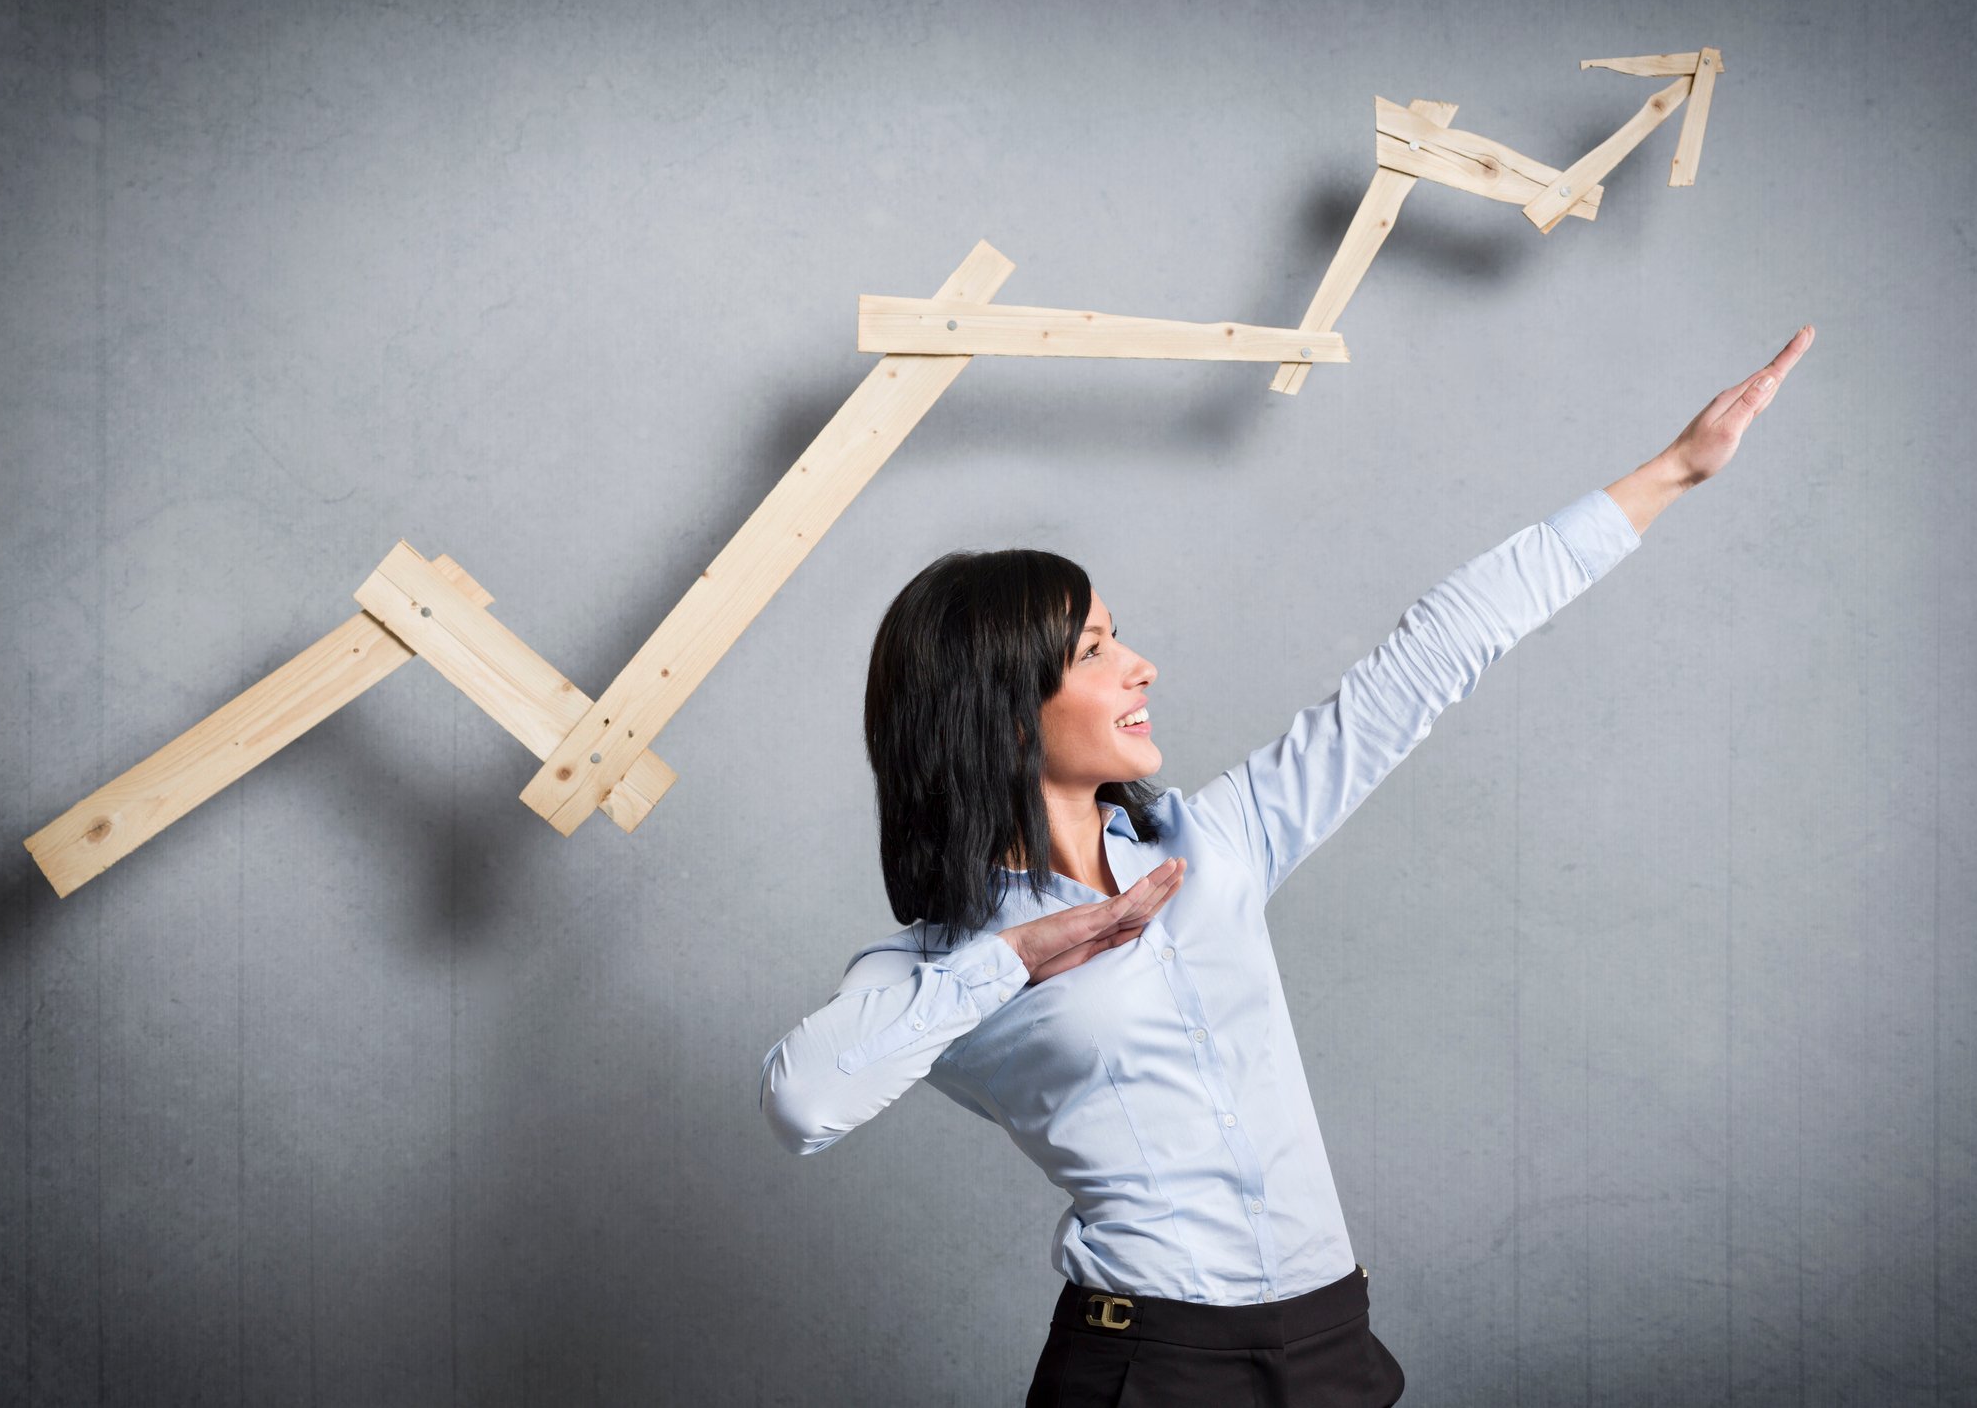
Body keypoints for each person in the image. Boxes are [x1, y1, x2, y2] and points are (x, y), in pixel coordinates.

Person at [759, 326, 1816, 1406]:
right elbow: (802, 1101)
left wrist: (1673, 472)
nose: (1139, 665)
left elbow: (1430, 653)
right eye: (1092, 651)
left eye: (1121, 635)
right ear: (1002, 714)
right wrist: (1019, 957)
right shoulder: (946, 961)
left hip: (1330, 1344)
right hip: (1148, 1367)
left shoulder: (1216, 842)